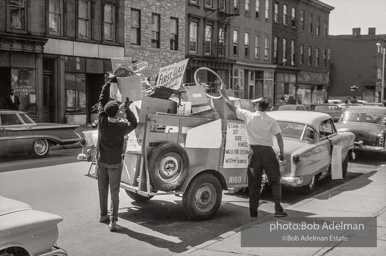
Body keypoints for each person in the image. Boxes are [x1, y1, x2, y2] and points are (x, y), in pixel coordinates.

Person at [221, 87, 287, 219]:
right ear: (267, 108)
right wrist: (281, 152)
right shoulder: (271, 120)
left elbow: (231, 106)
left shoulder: (248, 115)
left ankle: (253, 212)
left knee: (254, 184)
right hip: (268, 152)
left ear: (257, 106)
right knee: (275, 181)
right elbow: (279, 137)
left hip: (254, 153)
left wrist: (223, 94)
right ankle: (278, 208)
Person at [97, 75, 138, 232]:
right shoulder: (121, 127)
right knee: (114, 192)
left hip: (101, 163)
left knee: (102, 189)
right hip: (114, 164)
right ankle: (113, 221)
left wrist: (108, 83)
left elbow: (101, 100)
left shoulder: (101, 120)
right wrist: (127, 108)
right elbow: (134, 123)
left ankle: (103, 215)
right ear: (117, 114)